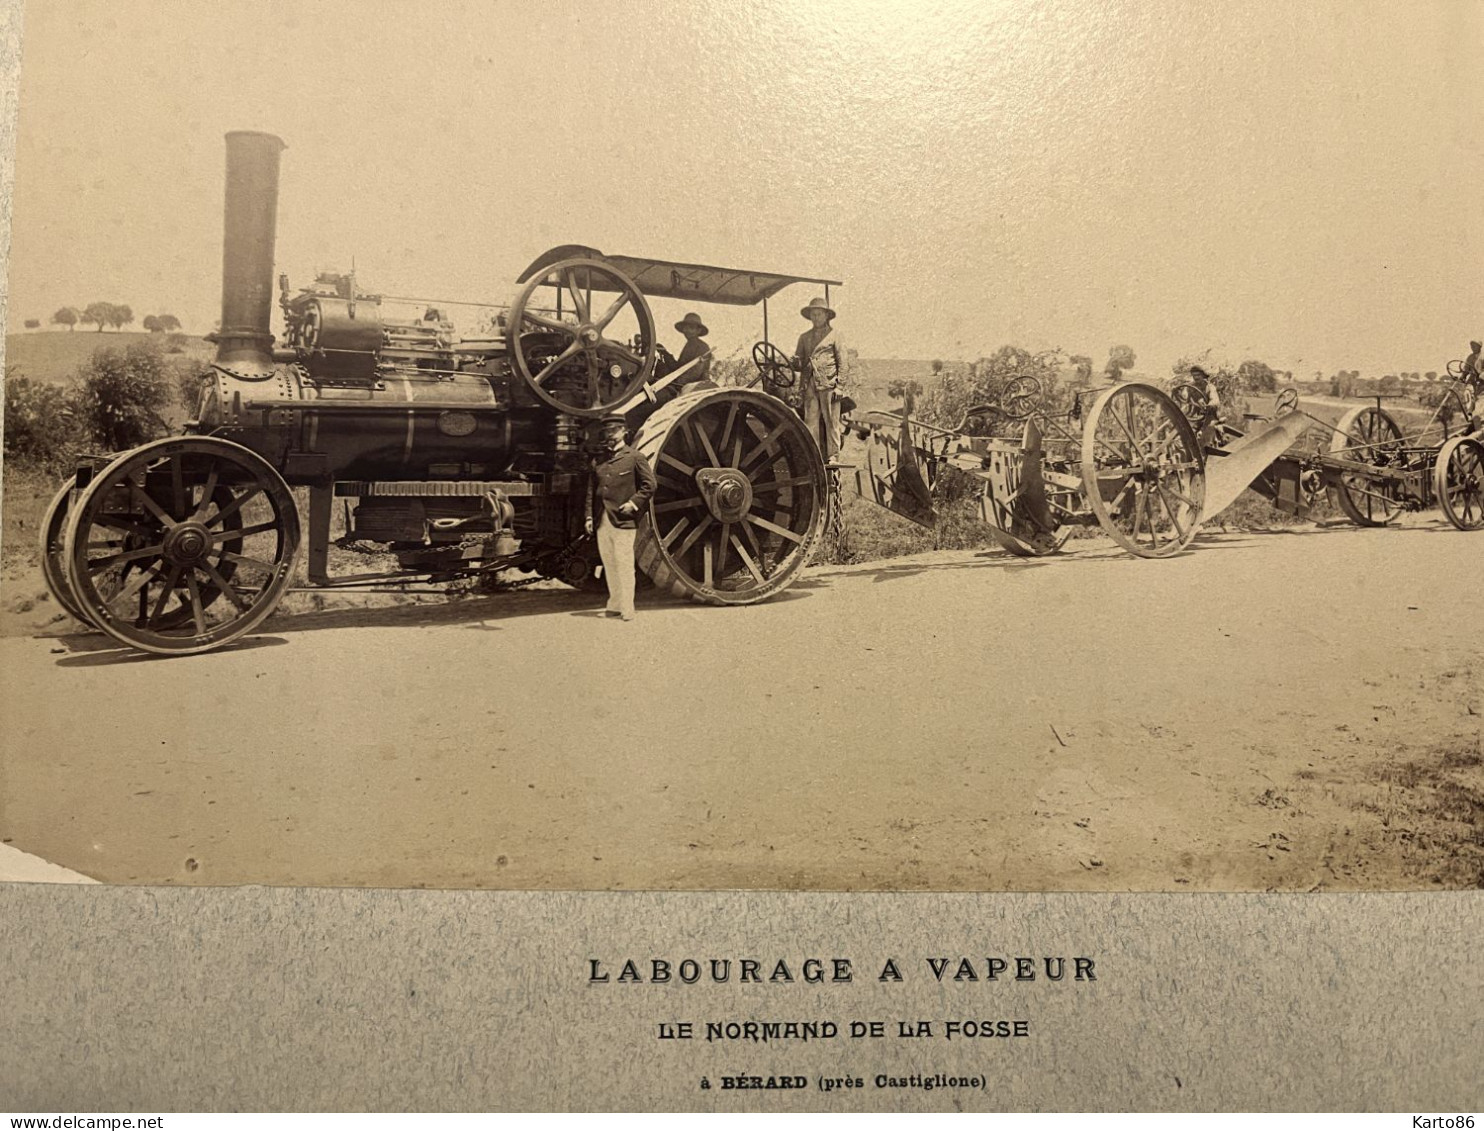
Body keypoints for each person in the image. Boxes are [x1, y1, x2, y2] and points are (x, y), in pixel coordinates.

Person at [588, 413, 656, 621]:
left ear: (624, 432)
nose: (610, 435)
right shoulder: (599, 461)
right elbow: (591, 492)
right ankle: (615, 603)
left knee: (624, 563)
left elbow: (650, 485)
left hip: (623, 520)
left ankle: (628, 607)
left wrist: (633, 503)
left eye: (614, 431)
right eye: (607, 432)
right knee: (609, 563)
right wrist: (589, 518)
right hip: (602, 520)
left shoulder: (635, 457)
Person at [794, 296, 849, 466]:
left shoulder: (835, 335)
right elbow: (799, 363)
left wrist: (840, 386)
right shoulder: (804, 338)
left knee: (831, 421)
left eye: (819, 314)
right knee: (810, 422)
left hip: (828, 384)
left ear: (826, 315)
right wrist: (796, 362)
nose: (815, 317)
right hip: (809, 384)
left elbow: (843, 362)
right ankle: (815, 456)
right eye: (813, 314)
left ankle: (833, 455)